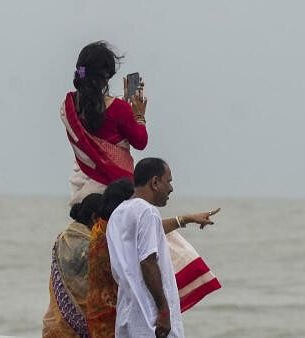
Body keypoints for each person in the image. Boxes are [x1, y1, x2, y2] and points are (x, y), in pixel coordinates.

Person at [87, 178, 219, 338]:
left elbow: (152, 228)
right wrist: (163, 310)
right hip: (125, 315)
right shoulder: (114, 234)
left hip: (120, 316)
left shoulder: (111, 229)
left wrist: (188, 218)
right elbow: (148, 261)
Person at [61, 40, 148, 206]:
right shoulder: (119, 109)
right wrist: (138, 115)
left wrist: (125, 109)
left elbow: (99, 118)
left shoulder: (68, 106)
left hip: (82, 190)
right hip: (114, 192)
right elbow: (140, 141)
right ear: (106, 76)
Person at [42, 193, 102, 338]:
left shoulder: (63, 238)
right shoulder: (89, 247)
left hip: (54, 326)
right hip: (76, 331)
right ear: (95, 218)